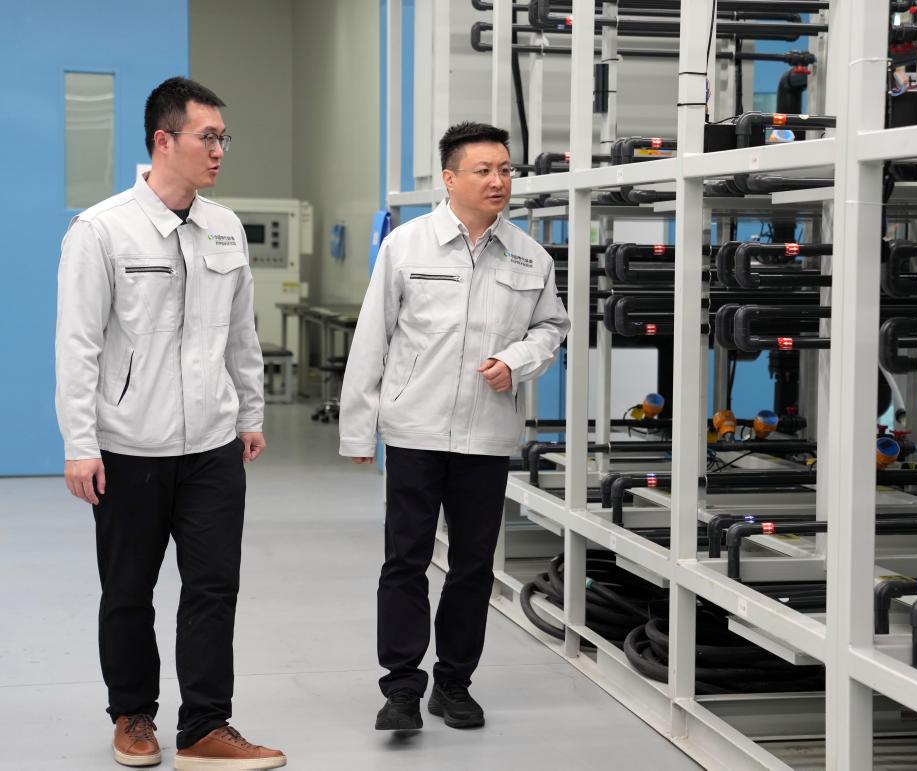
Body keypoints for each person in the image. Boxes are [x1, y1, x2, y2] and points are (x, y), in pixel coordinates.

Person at [55, 76, 285, 770]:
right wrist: (80, 443)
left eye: (223, 138)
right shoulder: (101, 230)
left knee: (214, 588)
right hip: (131, 446)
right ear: (163, 140)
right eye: (206, 137)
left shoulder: (224, 227)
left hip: (212, 445)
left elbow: (241, 331)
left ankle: (205, 725)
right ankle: (132, 714)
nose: (219, 150)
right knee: (129, 591)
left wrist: (249, 411)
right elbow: (78, 345)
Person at [339, 121, 570, 731]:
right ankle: (401, 688)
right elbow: (372, 339)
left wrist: (517, 361)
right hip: (414, 430)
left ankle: (453, 684)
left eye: (505, 170)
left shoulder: (530, 256)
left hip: (486, 436)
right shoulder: (407, 247)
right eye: (483, 170)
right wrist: (359, 430)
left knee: (472, 566)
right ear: (449, 178)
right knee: (405, 561)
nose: (499, 181)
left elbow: (552, 328)